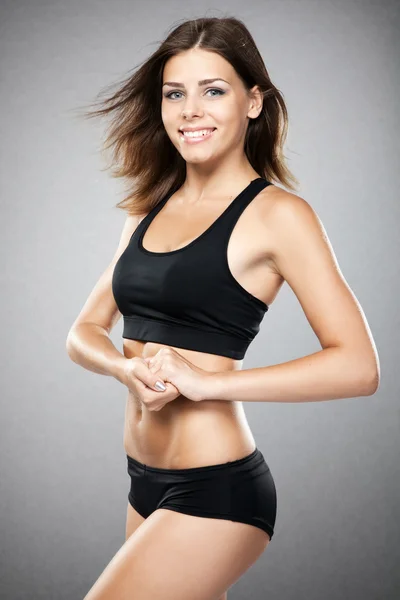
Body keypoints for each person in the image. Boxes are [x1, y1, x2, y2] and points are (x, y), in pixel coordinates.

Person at [66, 16, 380, 600]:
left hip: (216, 491)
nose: (191, 110)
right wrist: (123, 368)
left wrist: (207, 386)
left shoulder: (280, 216)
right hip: (144, 481)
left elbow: (359, 367)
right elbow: (84, 330)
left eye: (214, 90)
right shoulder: (146, 207)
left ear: (253, 102)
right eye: (174, 93)